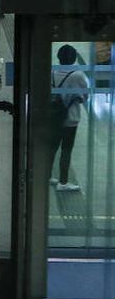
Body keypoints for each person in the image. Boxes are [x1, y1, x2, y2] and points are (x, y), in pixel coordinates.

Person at [50, 44, 90, 192]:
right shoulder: (77, 74)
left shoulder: (52, 71)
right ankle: (63, 182)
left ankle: (48, 176)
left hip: (53, 117)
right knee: (66, 150)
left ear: (59, 57)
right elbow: (84, 97)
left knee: (52, 147)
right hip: (70, 119)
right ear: (73, 58)